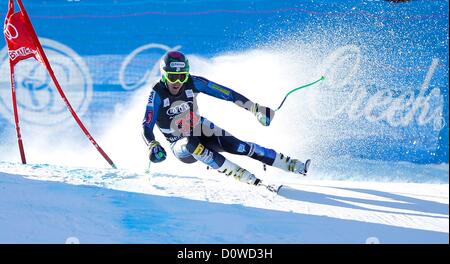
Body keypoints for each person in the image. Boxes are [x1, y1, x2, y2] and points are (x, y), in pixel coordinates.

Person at [142, 51, 310, 189]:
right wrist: (153, 144)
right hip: (180, 145)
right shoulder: (156, 94)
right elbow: (146, 126)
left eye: (182, 76)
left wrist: (254, 108)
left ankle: (291, 164)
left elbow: (227, 94)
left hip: (201, 128)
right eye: (172, 77)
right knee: (190, 142)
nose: (178, 82)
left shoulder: (194, 82)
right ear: (164, 75)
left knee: (239, 146)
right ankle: (246, 178)